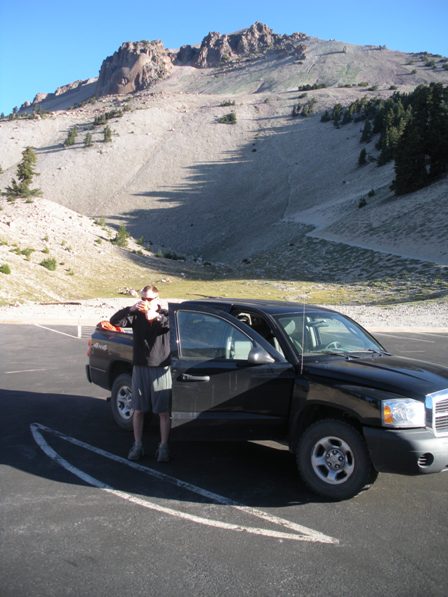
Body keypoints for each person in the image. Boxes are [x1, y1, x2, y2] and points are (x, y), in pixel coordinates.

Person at [110, 285, 171, 462]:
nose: (146, 302)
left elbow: (171, 326)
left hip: (161, 367)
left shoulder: (166, 315)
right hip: (140, 366)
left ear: (157, 300)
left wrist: (156, 316)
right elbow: (114, 322)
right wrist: (130, 309)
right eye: (143, 298)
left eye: (149, 299)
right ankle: (137, 445)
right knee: (138, 409)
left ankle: (163, 446)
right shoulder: (136, 315)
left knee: (162, 411)